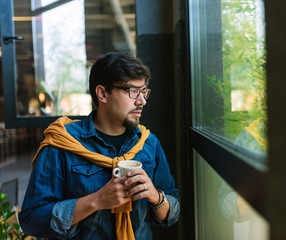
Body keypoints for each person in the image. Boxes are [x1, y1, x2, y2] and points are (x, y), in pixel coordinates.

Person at [18, 52, 180, 239]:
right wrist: (96, 201)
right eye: (132, 91)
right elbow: (32, 220)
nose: (142, 101)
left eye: (144, 91)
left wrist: (155, 196)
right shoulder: (61, 144)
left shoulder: (148, 142)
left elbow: (172, 212)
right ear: (102, 93)